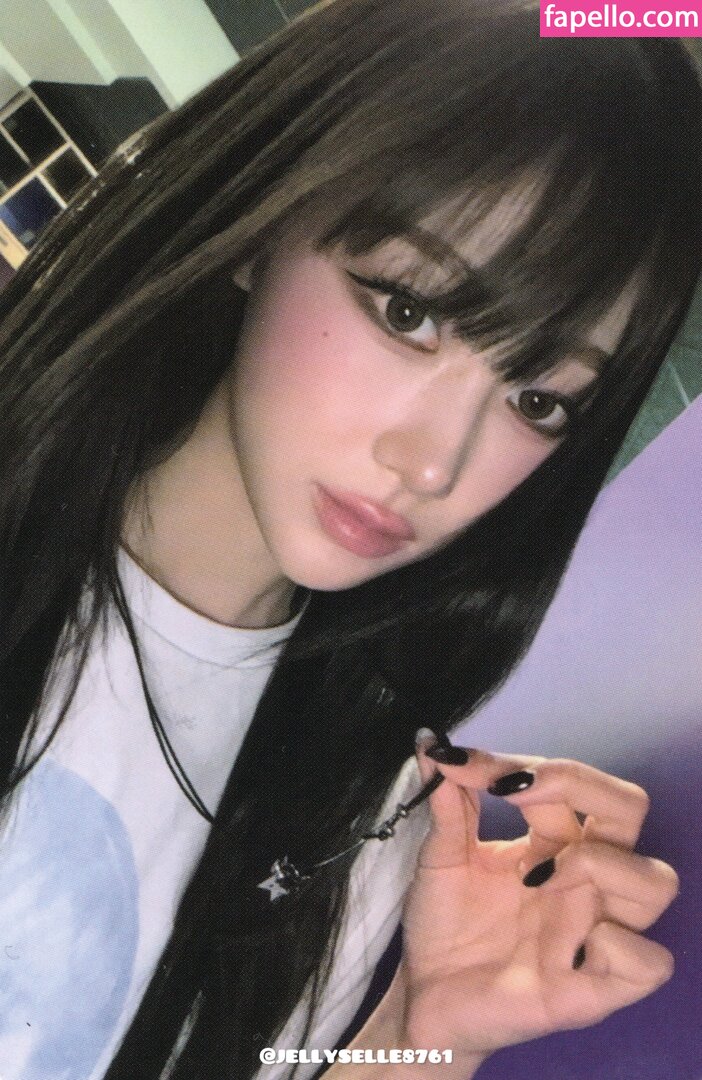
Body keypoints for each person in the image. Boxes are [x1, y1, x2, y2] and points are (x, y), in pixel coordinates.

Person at [0, 1, 700, 1078]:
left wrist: (421, 1033)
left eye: (538, 399)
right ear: (264, 220)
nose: (434, 464)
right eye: (409, 310)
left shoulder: (367, 812)